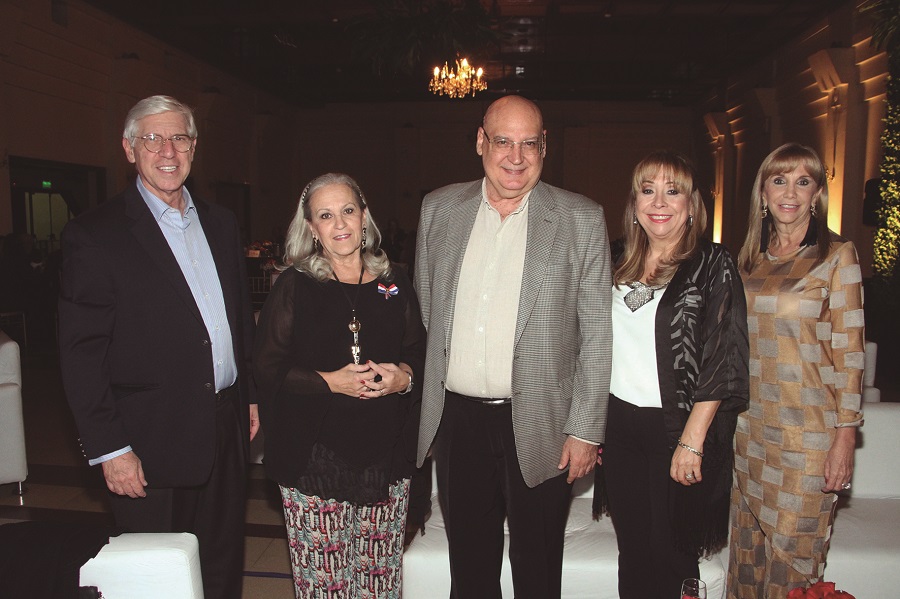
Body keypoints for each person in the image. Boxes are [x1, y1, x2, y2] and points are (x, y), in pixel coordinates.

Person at [58, 95, 258, 599]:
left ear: (194, 147)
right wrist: (110, 448)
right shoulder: (95, 234)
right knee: (158, 578)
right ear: (129, 150)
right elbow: (81, 353)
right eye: (152, 139)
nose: (168, 151)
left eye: (179, 138)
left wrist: (250, 396)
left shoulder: (221, 223)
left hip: (226, 427)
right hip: (150, 442)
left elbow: (238, 320)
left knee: (221, 566)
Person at [414, 94, 612, 598]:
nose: (516, 157)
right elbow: (425, 314)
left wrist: (585, 430)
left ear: (545, 146)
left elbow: (596, 336)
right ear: (481, 142)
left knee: (537, 569)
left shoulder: (580, 219)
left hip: (543, 422)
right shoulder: (438, 209)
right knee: (469, 570)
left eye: (529, 144)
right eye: (503, 141)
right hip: (458, 422)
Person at [253, 173, 426, 598]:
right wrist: (328, 382)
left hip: (386, 458)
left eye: (348, 210)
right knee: (326, 588)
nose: (340, 223)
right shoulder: (294, 286)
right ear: (312, 228)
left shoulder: (394, 281)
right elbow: (267, 368)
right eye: (326, 215)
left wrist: (403, 377)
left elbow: (419, 351)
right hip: (315, 458)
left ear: (364, 216)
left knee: (379, 584)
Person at [598, 151, 749, 599]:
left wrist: (691, 441)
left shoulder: (712, 263)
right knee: (632, 552)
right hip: (618, 428)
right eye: (648, 191)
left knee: (673, 554)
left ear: (691, 204)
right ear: (634, 203)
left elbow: (723, 357)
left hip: (677, 430)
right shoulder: (614, 258)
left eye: (672, 191)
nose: (659, 202)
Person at [727, 143, 864, 599]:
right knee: (747, 559)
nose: (790, 192)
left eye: (803, 181)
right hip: (749, 432)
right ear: (763, 194)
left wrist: (846, 436)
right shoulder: (749, 259)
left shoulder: (837, 255)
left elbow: (850, 354)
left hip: (807, 439)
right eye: (779, 180)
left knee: (793, 566)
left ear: (816, 194)